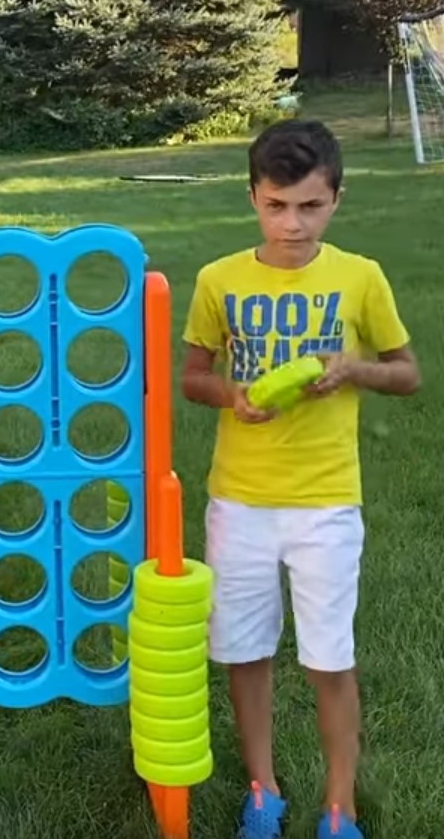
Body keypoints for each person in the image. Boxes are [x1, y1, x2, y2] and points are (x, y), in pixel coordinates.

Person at [181, 118, 420, 839]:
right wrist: (233, 396)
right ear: (252, 197)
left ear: (336, 199)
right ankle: (263, 789)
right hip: (239, 501)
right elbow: (192, 376)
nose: (292, 224)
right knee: (244, 652)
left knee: (328, 659)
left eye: (311, 206)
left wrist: (355, 370)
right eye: (276, 205)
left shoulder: (359, 277)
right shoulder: (218, 280)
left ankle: (339, 807)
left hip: (325, 503)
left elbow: (407, 373)